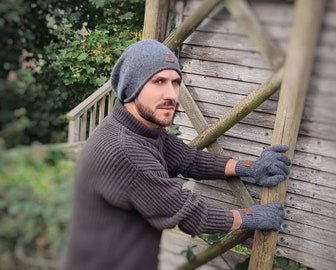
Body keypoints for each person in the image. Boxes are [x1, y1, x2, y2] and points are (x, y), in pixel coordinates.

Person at [61, 39, 291, 270]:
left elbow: (188, 160)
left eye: (175, 82)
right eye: (159, 81)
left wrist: (249, 167)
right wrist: (251, 216)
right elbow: (192, 215)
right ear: (132, 88)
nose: (171, 94)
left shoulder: (140, 130)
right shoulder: (125, 150)